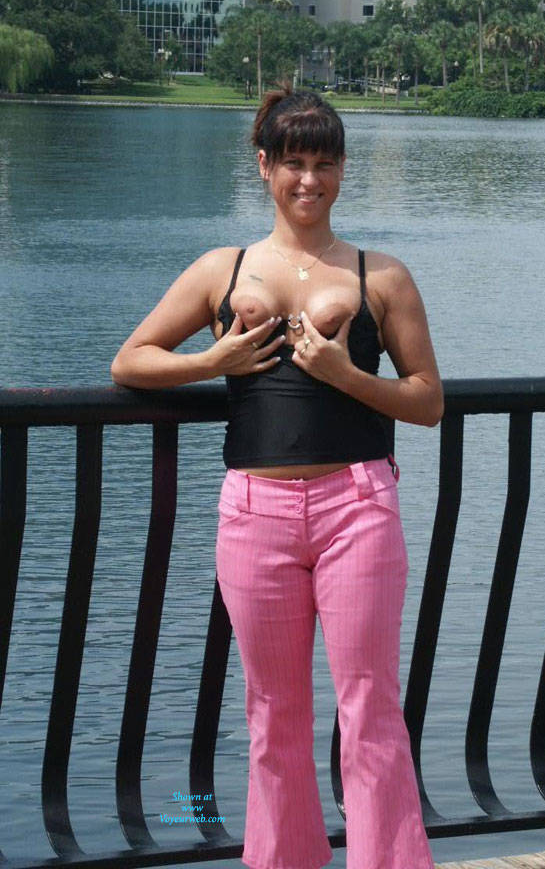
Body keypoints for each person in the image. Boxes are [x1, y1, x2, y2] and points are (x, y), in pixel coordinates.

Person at [111, 86, 443, 869]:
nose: (309, 180)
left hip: (358, 506)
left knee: (370, 710)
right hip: (254, 513)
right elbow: (131, 361)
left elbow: (428, 400)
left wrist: (344, 374)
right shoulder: (221, 269)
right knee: (272, 714)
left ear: (342, 171)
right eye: (293, 162)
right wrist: (213, 360)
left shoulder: (381, 275)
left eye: (325, 164)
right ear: (264, 166)